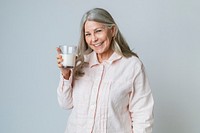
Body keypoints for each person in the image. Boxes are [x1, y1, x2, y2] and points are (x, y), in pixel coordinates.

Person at [56, 8, 154, 133]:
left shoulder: (132, 66)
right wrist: (65, 74)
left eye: (98, 31)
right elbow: (66, 104)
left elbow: (143, 115)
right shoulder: (80, 62)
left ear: (112, 31)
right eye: (88, 34)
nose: (93, 39)